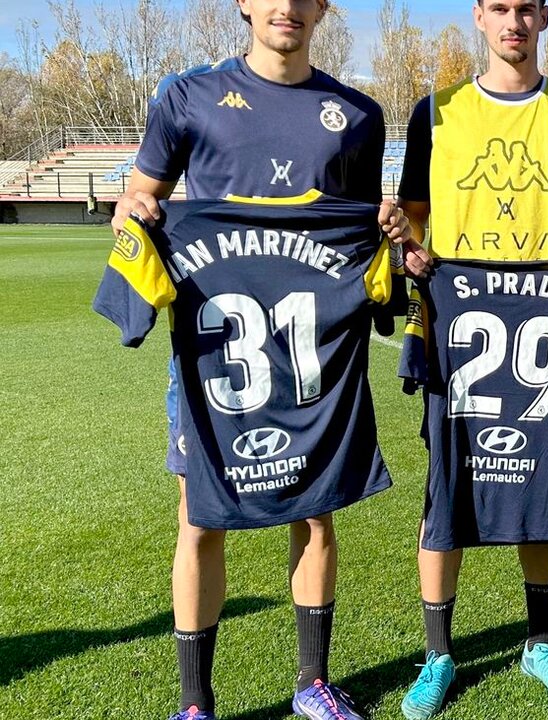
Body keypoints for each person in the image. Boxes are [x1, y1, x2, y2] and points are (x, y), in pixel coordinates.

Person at [109, 1, 408, 719]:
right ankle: (194, 703)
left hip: (313, 359)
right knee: (199, 518)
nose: (287, 7)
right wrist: (135, 213)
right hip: (216, 357)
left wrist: (391, 226)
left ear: (324, 6)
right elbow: (137, 201)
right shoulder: (189, 96)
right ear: (243, 2)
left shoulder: (357, 114)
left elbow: (358, 232)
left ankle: (312, 684)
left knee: (315, 517)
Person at [393, 0, 548, 716]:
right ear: (478, 16)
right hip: (461, 322)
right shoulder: (432, 112)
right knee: (447, 485)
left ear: (544, 17)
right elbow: (411, 214)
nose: (513, 22)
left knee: (545, 484)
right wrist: (406, 244)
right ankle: (438, 653)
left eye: (525, 8)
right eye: (499, 7)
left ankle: (539, 642)